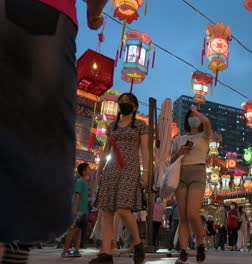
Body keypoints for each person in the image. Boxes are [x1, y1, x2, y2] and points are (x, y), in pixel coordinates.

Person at [0, 0, 107, 263]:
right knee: (40, 133)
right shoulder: (82, 182)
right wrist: (94, 14)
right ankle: (16, 245)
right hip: (49, 16)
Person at [91, 93, 150, 264]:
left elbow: (145, 150)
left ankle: (138, 243)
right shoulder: (112, 126)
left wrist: (146, 172)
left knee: (123, 209)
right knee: (107, 211)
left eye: (127, 102)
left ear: (135, 106)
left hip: (129, 169)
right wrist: (99, 172)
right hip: (111, 170)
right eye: (121, 102)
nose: (123, 104)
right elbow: (106, 150)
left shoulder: (140, 126)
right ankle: (106, 254)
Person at [170, 105, 211, 264]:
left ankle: (200, 244)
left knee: (193, 213)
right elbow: (170, 161)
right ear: (186, 120)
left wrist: (196, 111)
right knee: (183, 216)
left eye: (196, 116)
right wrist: (179, 152)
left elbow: (207, 122)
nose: (193, 118)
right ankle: (183, 250)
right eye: (190, 116)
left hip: (197, 174)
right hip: (180, 174)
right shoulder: (178, 138)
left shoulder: (204, 136)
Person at [62, 163, 92, 258]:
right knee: (72, 230)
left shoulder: (85, 182)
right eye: (88, 169)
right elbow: (77, 195)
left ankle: (76, 250)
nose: (90, 170)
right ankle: (66, 251)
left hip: (84, 210)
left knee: (79, 230)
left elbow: (90, 194)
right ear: (83, 172)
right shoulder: (79, 182)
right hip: (79, 210)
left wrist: (92, 181)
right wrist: (75, 208)